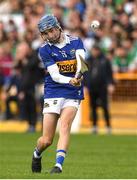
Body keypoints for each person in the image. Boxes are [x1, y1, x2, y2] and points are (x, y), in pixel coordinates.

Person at [31, 14, 85, 174]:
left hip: (73, 91)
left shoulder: (76, 41)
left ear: (58, 28)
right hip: (53, 91)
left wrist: (77, 77)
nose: (48, 35)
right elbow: (54, 75)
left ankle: (58, 165)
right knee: (46, 140)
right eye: (44, 33)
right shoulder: (44, 49)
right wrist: (70, 80)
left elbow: (82, 64)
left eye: (50, 31)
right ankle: (37, 153)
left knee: (65, 126)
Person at [85, 44, 115, 134]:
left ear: (99, 50)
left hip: (103, 87)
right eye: (93, 50)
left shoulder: (105, 60)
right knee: (93, 107)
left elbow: (109, 73)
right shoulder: (88, 60)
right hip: (92, 87)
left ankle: (108, 126)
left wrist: (110, 84)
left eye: (96, 50)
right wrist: (85, 85)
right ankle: (94, 126)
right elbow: (85, 74)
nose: (94, 52)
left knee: (105, 107)